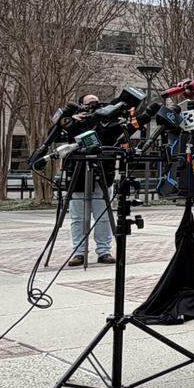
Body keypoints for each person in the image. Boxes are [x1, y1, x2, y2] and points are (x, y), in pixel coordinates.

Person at [66, 93, 115, 267]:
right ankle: (79, 253)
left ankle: (104, 251)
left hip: (103, 175)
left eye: (96, 104)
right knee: (78, 218)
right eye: (89, 104)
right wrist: (73, 120)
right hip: (79, 176)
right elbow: (62, 136)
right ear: (81, 106)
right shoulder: (73, 122)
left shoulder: (105, 122)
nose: (93, 107)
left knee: (103, 217)